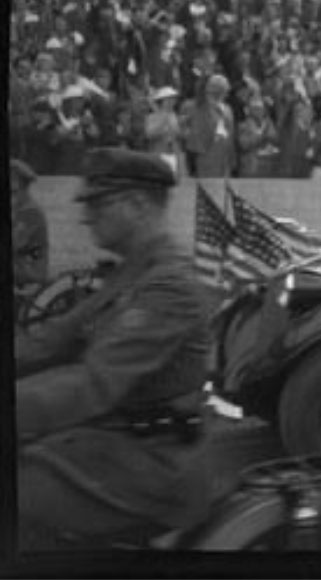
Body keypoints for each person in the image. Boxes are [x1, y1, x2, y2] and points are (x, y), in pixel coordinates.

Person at [16, 148, 219, 550]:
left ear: (138, 205)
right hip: (110, 443)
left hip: (153, 466)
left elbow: (94, 383)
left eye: (99, 203)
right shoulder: (129, 271)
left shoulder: (169, 285)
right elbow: (53, 338)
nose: (86, 215)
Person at [12, 159, 49, 288]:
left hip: (30, 272)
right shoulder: (19, 209)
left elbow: (15, 244)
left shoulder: (30, 212)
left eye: (13, 192)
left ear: (24, 188)